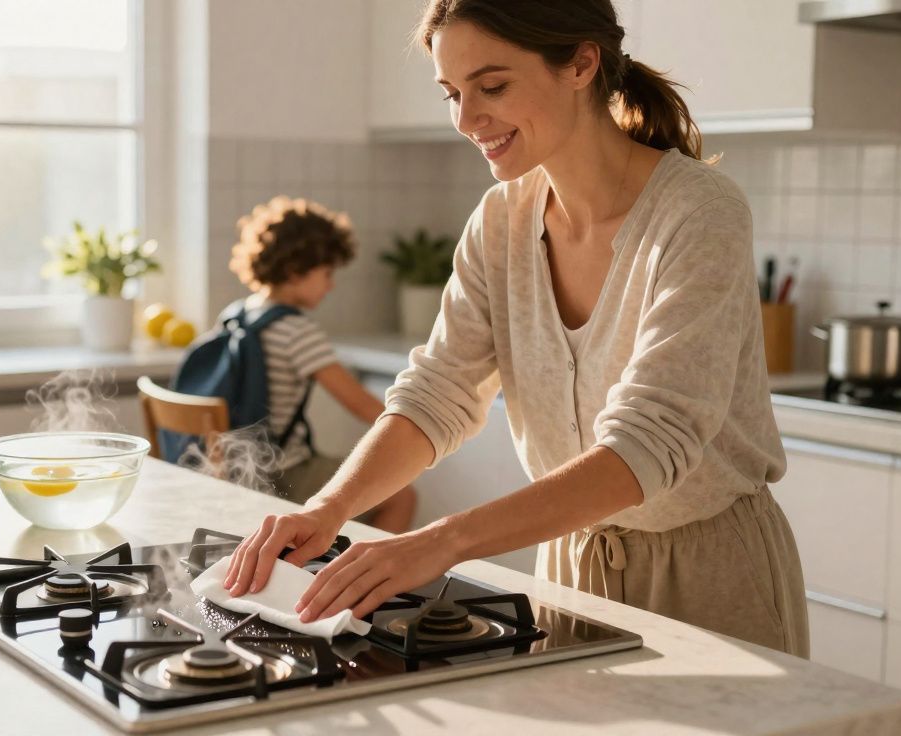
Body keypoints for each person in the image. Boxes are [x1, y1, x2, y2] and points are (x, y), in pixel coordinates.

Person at [223, 0, 808, 657]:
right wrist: (326, 511)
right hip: (570, 571)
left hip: (708, 577)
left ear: (582, 63)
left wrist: (439, 542)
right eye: (453, 93)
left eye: (493, 86)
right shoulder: (502, 220)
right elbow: (437, 395)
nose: (468, 120)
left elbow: (651, 442)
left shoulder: (698, 212)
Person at [225, 195, 417, 534]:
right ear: (295, 270)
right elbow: (358, 402)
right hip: (282, 472)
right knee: (402, 497)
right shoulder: (297, 330)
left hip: (236, 466)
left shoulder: (237, 315)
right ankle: (367, 580)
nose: (331, 285)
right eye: (327, 273)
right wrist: (417, 428)